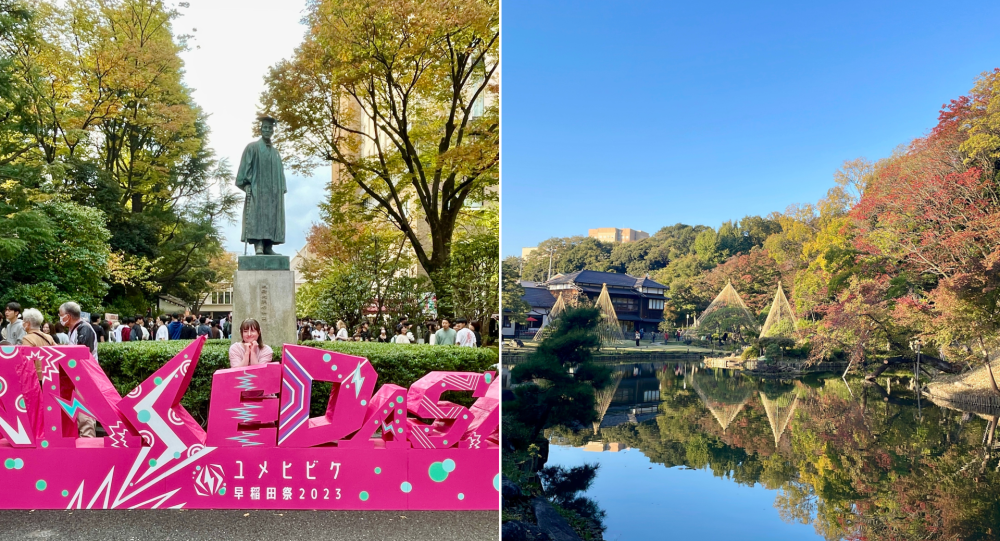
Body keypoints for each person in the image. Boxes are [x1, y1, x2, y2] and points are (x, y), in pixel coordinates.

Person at [59, 302, 97, 437]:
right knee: (80, 410)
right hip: (78, 376)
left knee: (84, 411)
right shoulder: (73, 330)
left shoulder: (84, 329)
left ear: (68, 316)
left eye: (61, 315)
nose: (60, 317)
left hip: (85, 376)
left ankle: (88, 440)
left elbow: (82, 354)